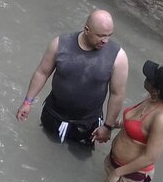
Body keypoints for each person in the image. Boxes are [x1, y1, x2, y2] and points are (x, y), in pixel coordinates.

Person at [16, 10, 129, 148]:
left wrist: (107, 126)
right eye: (101, 35)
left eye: (109, 35)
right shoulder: (60, 44)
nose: (105, 40)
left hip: (88, 124)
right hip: (54, 114)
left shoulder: (118, 57)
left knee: (80, 154)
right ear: (87, 30)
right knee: (43, 146)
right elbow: (42, 72)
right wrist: (28, 102)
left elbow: (117, 94)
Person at [105, 60, 163, 182]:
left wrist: (118, 173)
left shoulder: (162, 117)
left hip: (129, 177)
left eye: (151, 78)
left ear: (157, 90)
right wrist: (109, 126)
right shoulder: (152, 99)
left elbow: (151, 157)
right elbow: (135, 123)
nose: (147, 78)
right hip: (114, 165)